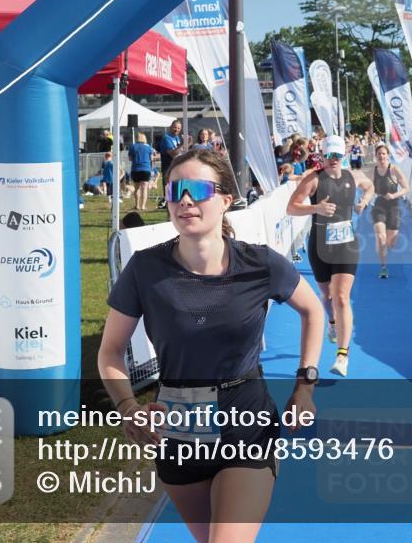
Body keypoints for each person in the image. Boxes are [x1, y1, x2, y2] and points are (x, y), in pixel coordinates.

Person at [99, 149, 323, 543]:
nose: (185, 200)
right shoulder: (145, 269)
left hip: (246, 423)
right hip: (176, 432)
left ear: (225, 200)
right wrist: (127, 407)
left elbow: (313, 312)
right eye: (175, 190)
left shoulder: (260, 264)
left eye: (198, 189)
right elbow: (111, 350)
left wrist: (305, 385)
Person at [287, 135, 374, 378]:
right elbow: (291, 207)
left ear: (343, 156)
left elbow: (370, 186)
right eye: (330, 155)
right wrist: (315, 208)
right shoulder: (313, 180)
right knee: (326, 295)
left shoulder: (353, 176)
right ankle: (333, 323)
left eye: (338, 155)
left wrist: (364, 202)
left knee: (342, 297)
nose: (334, 159)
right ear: (322, 156)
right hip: (320, 246)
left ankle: (342, 356)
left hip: (346, 244)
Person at [369, 144, 409, 279]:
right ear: (376, 156)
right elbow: (367, 188)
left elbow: (406, 188)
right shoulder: (372, 171)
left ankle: (383, 247)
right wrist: (364, 200)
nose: (381, 156)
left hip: (393, 206)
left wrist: (394, 195)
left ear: (388, 155)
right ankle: (384, 267)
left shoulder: (394, 170)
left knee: (391, 242)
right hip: (378, 206)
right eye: (379, 154)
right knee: (381, 237)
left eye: (383, 154)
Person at [157, 120, 184, 209]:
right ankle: (168, 204)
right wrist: (182, 145)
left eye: (179, 128)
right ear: (171, 127)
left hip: (177, 166)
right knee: (168, 186)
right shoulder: (166, 138)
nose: (176, 130)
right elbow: (172, 153)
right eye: (175, 127)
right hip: (168, 166)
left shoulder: (178, 138)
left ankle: (175, 203)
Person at [128, 133, 155, 212]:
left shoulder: (133, 146)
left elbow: (130, 158)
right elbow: (151, 158)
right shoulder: (149, 147)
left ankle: (137, 205)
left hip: (135, 169)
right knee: (144, 188)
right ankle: (143, 206)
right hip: (146, 169)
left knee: (136, 189)